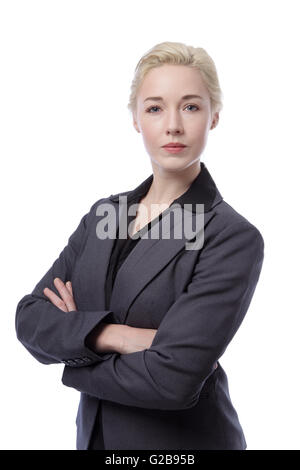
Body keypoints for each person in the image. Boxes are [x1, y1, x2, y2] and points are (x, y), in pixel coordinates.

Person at [15, 41, 264, 450]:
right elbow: (30, 319)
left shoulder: (230, 236)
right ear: (135, 118)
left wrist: (73, 350)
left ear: (213, 116)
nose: (173, 126)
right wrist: (119, 337)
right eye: (154, 108)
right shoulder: (102, 216)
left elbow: (174, 378)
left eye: (190, 106)